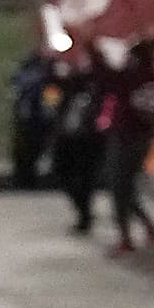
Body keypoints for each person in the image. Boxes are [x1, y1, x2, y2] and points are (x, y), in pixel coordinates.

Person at [102, 35, 154, 255]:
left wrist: (97, 53)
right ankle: (148, 227)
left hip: (127, 138)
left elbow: (110, 81)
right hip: (142, 138)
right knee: (127, 188)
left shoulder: (132, 77)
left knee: (120, 188)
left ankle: (126, 237)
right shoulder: (153, 77)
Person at [48, 51, 107, 236]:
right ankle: (82, 208)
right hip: (67, 135)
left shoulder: (97, 81)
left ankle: (85, 215)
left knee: (86, 178)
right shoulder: (65, 79)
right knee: (62, 172)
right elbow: (51, 97)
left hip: (89, 137)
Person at [9, 49, 57, 189]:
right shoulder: (39, 75)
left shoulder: (35, 74)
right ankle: (25, 177)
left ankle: (25, 177)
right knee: (30, 148)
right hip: (34, 116)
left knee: (29, 148)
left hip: (33, 116)